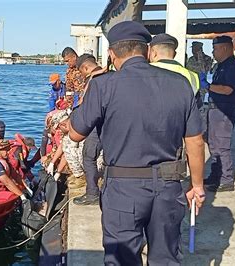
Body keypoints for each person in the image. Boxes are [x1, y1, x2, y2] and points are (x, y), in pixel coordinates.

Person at [68, 21, 205, 265]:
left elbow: (76, 133)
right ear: (147, 51)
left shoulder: (103, 85)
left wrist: (88, 93)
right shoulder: (181, 83)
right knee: (166, 258)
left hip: (123, 188)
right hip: (168, 186)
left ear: (111, 54)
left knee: (122, 259)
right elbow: (195, 141)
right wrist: (197, 185)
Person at [204, 35, 235, 192]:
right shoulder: (221, 66)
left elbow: (227, 89)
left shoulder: (233, 66)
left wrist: (207, 86)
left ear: (225, 48)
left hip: (224, 110)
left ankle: (226, 179)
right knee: (214, 145)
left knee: (222, 146)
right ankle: (216, 177)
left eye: (215, 49)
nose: (213, 52)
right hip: (215, 109)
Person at [73, 53, 106, 205]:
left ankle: (92, 192)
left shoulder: (94, 80)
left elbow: (86, 105)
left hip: (96, 124)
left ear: (85, 67)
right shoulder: (110, 74)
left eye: (81, 72)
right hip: (112, 123)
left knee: (88, 157)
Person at [149, 33, 202, 107]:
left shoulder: (142, 71)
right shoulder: (192, 76)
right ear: (174, 54)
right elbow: (196, 108)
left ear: (153, 53)